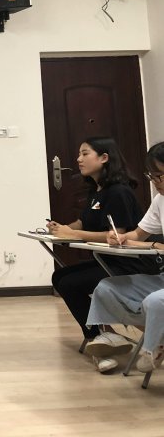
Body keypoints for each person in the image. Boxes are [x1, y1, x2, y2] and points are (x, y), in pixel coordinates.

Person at [47, 136, 156, 372]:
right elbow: (83, 222)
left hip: (129, 264)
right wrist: (61, 229)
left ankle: (99, 337)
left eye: (85, 153)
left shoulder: (118, 192)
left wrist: (72, 234)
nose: (78, 159)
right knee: (59, 277)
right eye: (79, 154)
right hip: (107, 260)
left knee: (70, 283)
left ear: (104, 158)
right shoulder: (96, 191)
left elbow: (117, 234)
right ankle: (102, 335)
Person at [86, 141, 164, 373]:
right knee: (106, 289)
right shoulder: (160, 201)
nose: (155, 182)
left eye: (159, 176)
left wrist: (151, 244)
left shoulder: (119, 192)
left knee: (154, 301)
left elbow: (147, 242)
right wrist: (119, 238)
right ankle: (156, 339)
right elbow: (138, 234)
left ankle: (151, 348)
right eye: (151, 176)